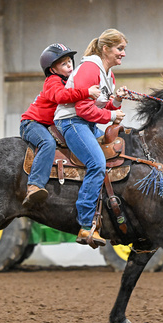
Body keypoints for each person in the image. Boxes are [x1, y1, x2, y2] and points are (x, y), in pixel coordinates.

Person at [54, 29, 128, 245]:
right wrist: (113, 114)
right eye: (120, 49)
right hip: (72, 122)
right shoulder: (89, 69)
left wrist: (117, 100)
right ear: (105, 49)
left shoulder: (108, 75)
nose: (123, 53)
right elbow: (84, 110)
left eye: (124, 49)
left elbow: (103, 107)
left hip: (86, 123)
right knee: (96, 163)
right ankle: (86, 224)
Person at [20, 43, 101, 207]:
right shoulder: (52, 81)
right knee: (46, 143)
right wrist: (87, 92)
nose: (69, 65)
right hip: (32, 123)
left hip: (49, 125)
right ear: (52, 70)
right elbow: (61, 96)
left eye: (69, 61)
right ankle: (35, 184)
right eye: (63, 64)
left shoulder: (70, 83)